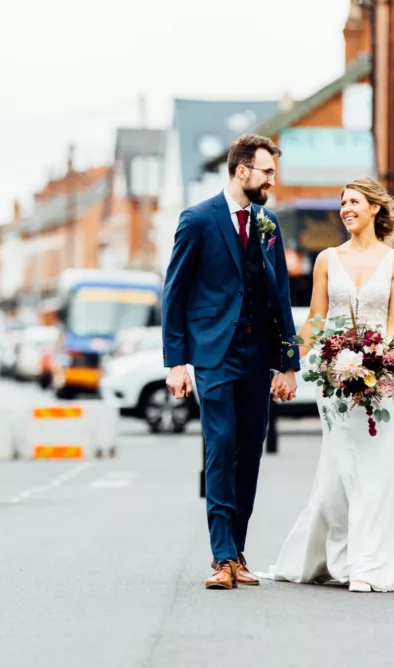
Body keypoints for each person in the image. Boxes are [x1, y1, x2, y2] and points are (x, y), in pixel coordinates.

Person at [265, 177, 394, 593]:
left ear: (374, 208)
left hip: (379, 380)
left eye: (354, 201)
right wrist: (288, 364)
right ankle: (337, 553)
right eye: (342, 203)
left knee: (375, 463)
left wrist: (381, 360)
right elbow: (315, 321)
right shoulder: (327, 259)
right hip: (332, 380)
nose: (346, 209)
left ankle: (366, 563)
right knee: (337, 468)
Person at [161, 134, 299, 590]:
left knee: (249, 451)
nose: (271, 181)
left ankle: (236, 552)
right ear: (242, 171)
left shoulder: (268, 223)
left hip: (257, 355)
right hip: (214, 354)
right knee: (220, 445)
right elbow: (175, 293)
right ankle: (221, 557)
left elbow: (280, 294)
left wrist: (288, 363)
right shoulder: (197, 219)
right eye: (266, 172)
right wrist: (176, 361)